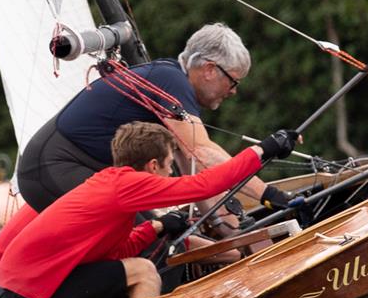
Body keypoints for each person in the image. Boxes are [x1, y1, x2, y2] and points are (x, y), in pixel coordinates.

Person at [0, 122, 298, 298]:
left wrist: (157, 226)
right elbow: (206, 184)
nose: (171, 172)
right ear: (152, 166)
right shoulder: (127, 185)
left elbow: (115, 254)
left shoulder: (110, 184)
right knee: (144, 272)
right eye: (168, 165)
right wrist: (264, 150)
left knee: (128, 268)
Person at [17, 22, 291, 222]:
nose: (233, 91)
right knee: (150, 238)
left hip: (66, 168)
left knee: (162, 233)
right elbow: (205, 153)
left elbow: (196, 173)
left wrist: (224, 226)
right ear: (209, 69)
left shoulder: (175, 87)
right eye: (233, 81)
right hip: (54, 168)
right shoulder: (170, 79)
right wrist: (269, 194)